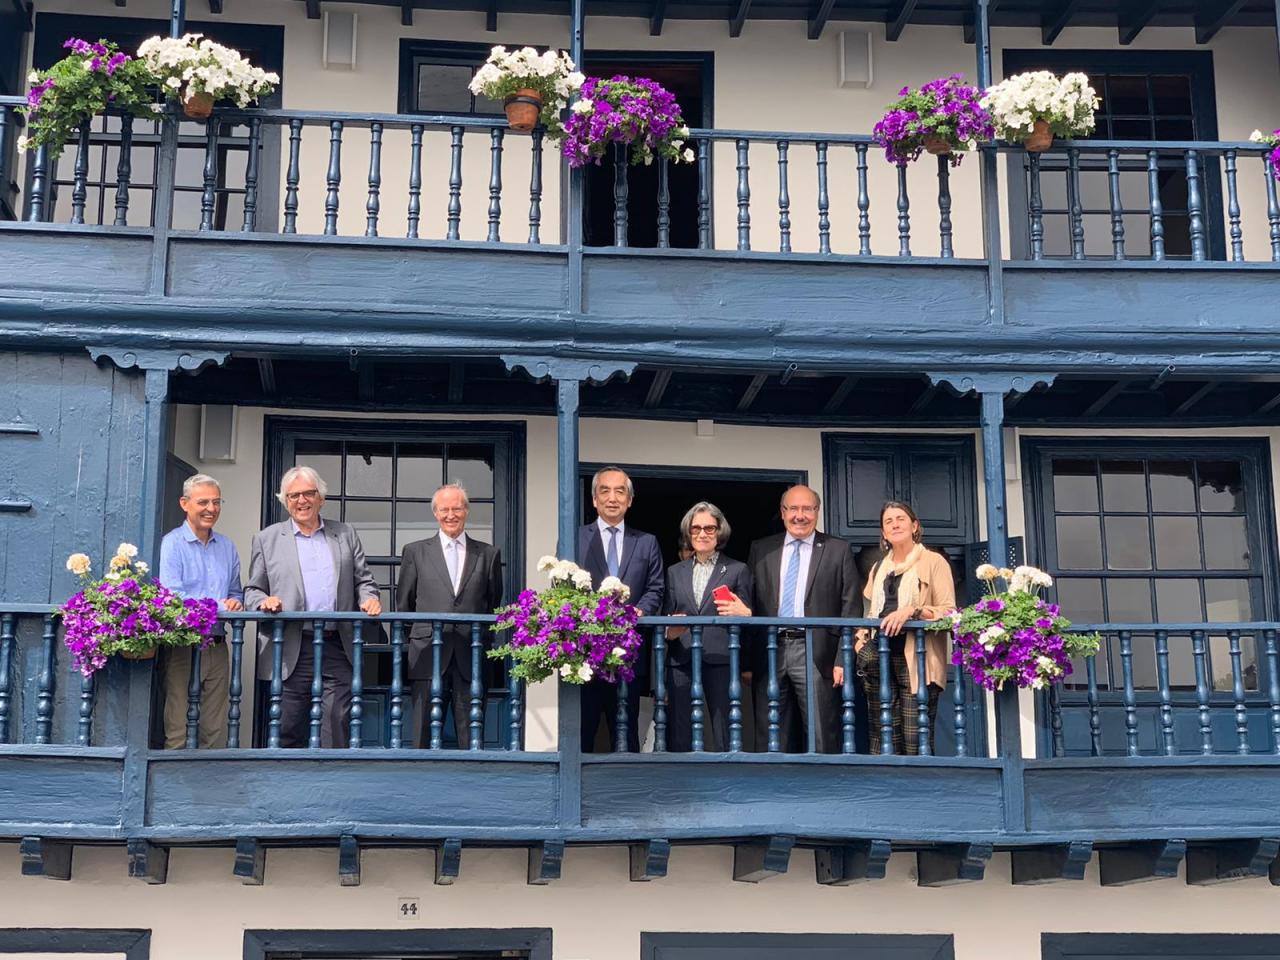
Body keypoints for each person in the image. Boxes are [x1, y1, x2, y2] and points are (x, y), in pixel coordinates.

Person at [243, 465, 381, 748]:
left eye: (308, 493)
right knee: (288, 722)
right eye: (294, 496)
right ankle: (288, 784)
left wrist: (369, 598)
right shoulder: (267, 539)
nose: (301, 501)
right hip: (292, 643)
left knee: (337, 718)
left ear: (321, 498)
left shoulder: (345, 534)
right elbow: (252, 590)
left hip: (337, 642)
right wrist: (264, 601)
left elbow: (364, 581)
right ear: (285, 500)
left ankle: (334, 782)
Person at [747, 484, 858, 753]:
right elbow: (751, 603)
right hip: (770, 650)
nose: (800, 515)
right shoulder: (761, 549)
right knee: (770, 729)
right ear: (783, 512)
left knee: (820, 730)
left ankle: (823, 790)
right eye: (794, 508)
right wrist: (748, 661)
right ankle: (773, 790)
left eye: (807, 508)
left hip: (816, 650)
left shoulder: (837, 549)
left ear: (817, 512)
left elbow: (851, 607)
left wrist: (842, 658)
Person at [397, 482, 504, 749]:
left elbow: (492, 602)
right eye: (444, 509)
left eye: (456, 508)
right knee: (422, 734)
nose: (450, 515)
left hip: (471, 653)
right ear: (435, 513)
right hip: (426, 654)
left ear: (466, 511)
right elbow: (404, 604)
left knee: (471, 737)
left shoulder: (488, 554)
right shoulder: (415, 552)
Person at [854, 500, 956, 755]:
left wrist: (913, 611)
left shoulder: (934, 562)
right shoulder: (879, 568)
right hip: (880, 657)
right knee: (881, 734)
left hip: (917, 660)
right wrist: (860, 639)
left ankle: (920, 792)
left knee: (914, 737)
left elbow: (949, 611)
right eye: (888, 521)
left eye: (900, 518)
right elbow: (870, 612)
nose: (895, 524)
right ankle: (887, 791)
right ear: (883, 533)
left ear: (915, 526)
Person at [577, 466, 664, 752]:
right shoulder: (575, 538)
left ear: (629, 500)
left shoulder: (646, 542)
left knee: (625, 736)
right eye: (605, 490)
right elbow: (563, 591)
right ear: (594, 499)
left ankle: (630, 795)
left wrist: (640, 610)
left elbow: (656, 588)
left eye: (620, 491)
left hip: (629, 656)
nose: (612, 498)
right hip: (585, 656)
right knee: (582, 733)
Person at [158, 473, 243, 749]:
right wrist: (219, 605)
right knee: (177, 728)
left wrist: (235, 602)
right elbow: (174, 597)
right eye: (203, 502)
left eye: (216, 502)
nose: (211, 509)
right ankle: (174, 787)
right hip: (183, 644)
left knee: (215, 729)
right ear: (185, 503)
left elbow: (235, 591)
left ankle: (209, 786)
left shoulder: (227, 547)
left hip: (218, 645)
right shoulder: (172, 544)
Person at [662, 501, 753, 752]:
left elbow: (750, 620)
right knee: (681, 725)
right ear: (688, 533)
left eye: (709, 529)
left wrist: (745, 613)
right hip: (681, 656)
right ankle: (683, 781)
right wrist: (670, 631)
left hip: (721, 656)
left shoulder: (737, 570)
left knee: (724, 724)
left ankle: (727, 778)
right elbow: (666, 618)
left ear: (719, 532)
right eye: (696, 529)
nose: (702, 534)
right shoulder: (674, 571)